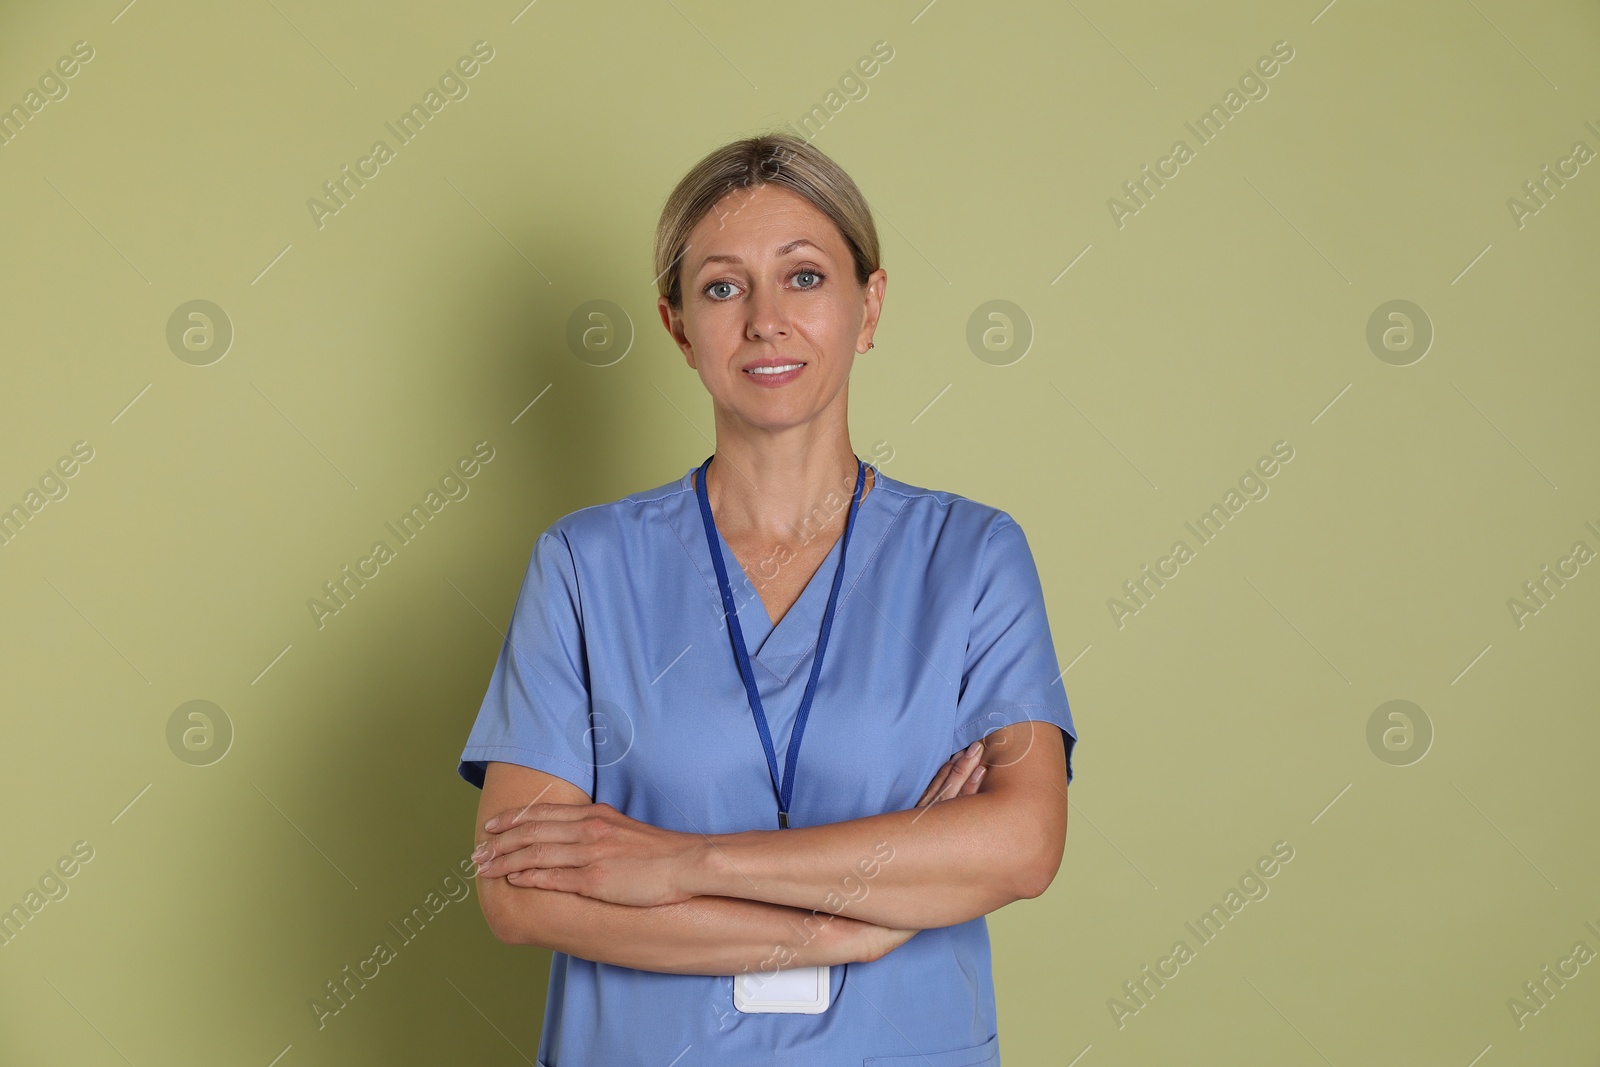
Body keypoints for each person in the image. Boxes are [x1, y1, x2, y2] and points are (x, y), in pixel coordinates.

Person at [457, 132, 1076, 1066]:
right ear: (677, 326)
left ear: (868, 307)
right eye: (721, 286)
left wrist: (678, 864)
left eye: (804, 277)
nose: (764, 320)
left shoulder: (973, 557)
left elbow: (1024, 843)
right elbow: (521, 892)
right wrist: (851, 922)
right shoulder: (584, 566)